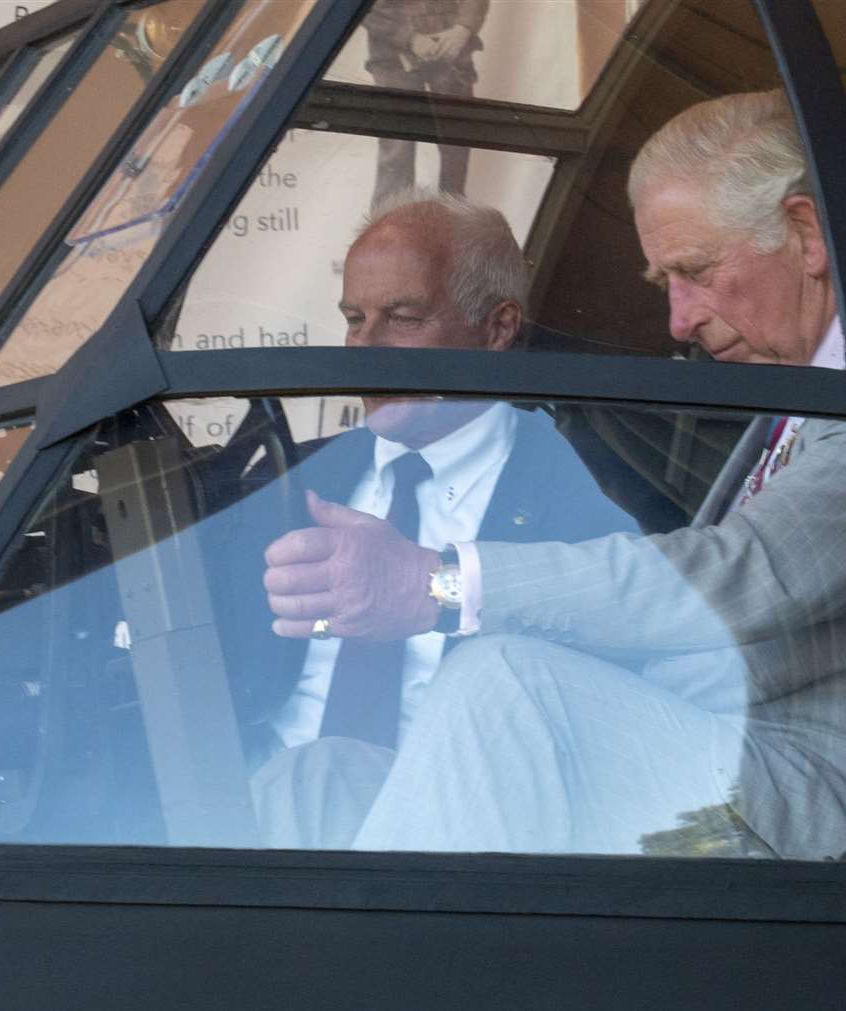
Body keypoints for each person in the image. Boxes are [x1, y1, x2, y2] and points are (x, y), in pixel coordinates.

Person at [265, 90, 846, 870]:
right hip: (745, 775)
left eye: (696, 272)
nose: (679, 321)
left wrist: (435, 586)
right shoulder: (814, 380)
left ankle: (369, 990)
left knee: (505, 681)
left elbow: (744, 578)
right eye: (664, 283)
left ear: (807, 233)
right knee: (323, 778)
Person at [241, 190, 666, 847]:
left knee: (319, 777)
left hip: (457, 832)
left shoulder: (584, 503)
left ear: (497, 329)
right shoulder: (290, 486)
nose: (366, 349)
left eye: (402, 317)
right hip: (251, 809)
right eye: (355, 319)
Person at [361, 1, 489, 204]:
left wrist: (463, 29)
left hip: (452, 48)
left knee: (456, 144)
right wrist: (409, 38)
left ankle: (452, 225)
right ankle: (390, 225)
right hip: (392, 52)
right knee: (397, 149)